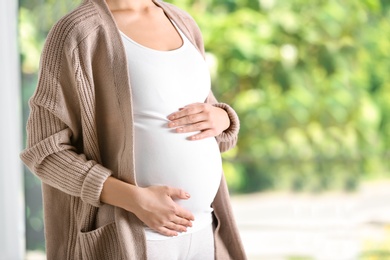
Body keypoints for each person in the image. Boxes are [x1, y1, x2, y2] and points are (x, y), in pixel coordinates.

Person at [20, 0, 246, 259]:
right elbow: (45, 153)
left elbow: (207, 122)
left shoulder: (182, 22)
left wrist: (224, 118)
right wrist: (134, 199)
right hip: (133, 237)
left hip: (205, 231)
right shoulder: (78, 31)